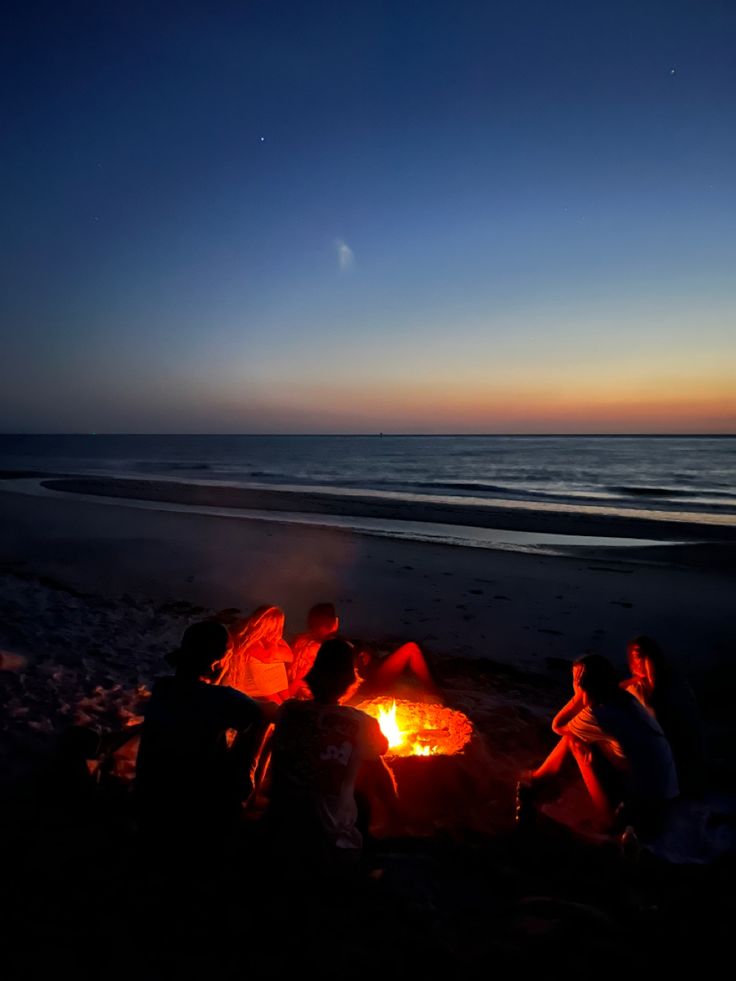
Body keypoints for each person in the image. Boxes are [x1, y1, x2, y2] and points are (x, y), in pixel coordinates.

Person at [267, 638, 397, 868]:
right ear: (350, 678)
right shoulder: (360, 722)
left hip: (278, 825)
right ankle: (395, 817)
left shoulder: (288, 710)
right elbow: (382, 748)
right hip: (327, 839)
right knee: (373, 760)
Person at [135, 621, 267, 835]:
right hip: (198, 805)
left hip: (150, 797)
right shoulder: (218, 698)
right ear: (216, 663)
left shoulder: (163, 688)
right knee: (255, 727)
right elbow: (256, 714)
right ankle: (241, 786)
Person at [523, 655, 679, 836]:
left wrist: (577, 698)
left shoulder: (597, 714)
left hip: (644, 802)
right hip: (667, 793)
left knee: (573, 740)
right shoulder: (625, 698)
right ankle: (541, 779)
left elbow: (557, 725)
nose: (574, 683)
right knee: (591, 741)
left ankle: (536, 780)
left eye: (576, 680)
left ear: (584, 685)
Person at [623, 635, 705, 795]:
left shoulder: (640, 692)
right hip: (693, 768)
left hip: (670, 774)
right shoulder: (679, 683)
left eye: (639, 657)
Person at [220, 605, 293, 703]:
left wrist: (274, 644)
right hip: (248, 683)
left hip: (268, 682)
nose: (278, 629)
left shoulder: (268, 636)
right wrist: (274, 643)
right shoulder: (246, 636)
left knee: (286, 697)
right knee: (277, 704)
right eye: (277, 625)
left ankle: (290, 707)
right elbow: (267, 657)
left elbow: (290, 657)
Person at [288, 603, 339, 696]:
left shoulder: (300, 641)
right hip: (308, 698)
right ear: (334, 623)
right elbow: (300, 680)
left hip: (298, 693)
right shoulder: (318, 649)